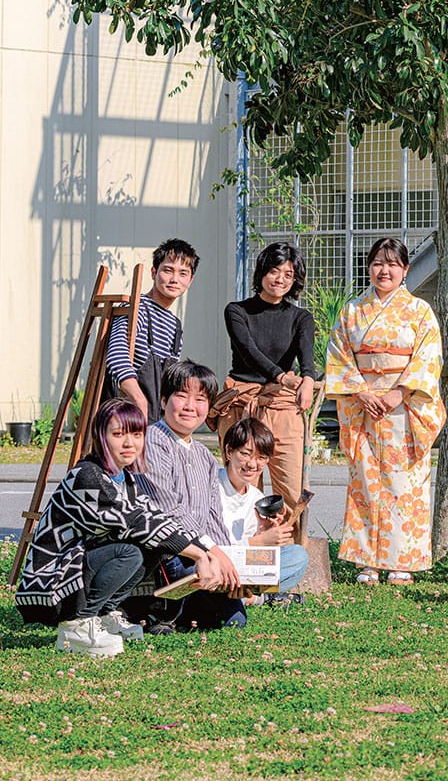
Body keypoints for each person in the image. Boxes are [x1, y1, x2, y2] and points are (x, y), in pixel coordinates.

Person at [15, 398, 222, 657]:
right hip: (51, 582)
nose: (129, 443)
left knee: (154, 545)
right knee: (132, 550)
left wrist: (209, 553)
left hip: (79, 570)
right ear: (100, 436)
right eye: (117, 434)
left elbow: (158, 517)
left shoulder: (127, 480)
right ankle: (76, 624)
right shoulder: (86, 477)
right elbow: (136, 523)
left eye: (136, 434)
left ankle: (104, 614)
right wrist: (201, 555)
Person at [325, 237, 446, 585]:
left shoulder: (419, 311)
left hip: (403, 408)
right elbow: (339, 354)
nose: (385, 270)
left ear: (405, 270)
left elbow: (428, 356)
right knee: (365, 479)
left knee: (404, 482)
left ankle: (402, 560)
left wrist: (399, 392)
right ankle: (367, 561)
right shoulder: (353, 311)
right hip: (363, 406)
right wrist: (360, 392)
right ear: (369, 266)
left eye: (393, 264)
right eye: (378, 262)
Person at [209, 242, 316, 542]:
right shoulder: (237, 311)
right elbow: (249, 351)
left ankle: (292, 559)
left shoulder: (300, 318)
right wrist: (283, 377)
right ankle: (241, 562)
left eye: (288, 274)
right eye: (274, 271)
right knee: (241, 490)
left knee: (292, 490)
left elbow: (307, 360)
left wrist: (308, 379)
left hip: (282, 407)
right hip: (241, 405)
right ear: (261, 272)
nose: (280, 279)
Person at [137, 360, 242, 630]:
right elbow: (169, 511)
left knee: (235, 619)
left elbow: (213, 515)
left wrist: (229, 561)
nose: (190, 407)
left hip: (204, 554)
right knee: (223, 610)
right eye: (181, 396)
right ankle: (166, 610)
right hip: (168, 554)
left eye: (200, 399)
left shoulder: (204, 455)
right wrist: (215, 553)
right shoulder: (151, 441)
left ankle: (185, 611)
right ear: (163, 400)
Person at [105, 239, 199, 423]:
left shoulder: (175, 326)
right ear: (154, 272)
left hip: (155, 423)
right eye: (168, 270)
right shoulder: (136, 309)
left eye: (183, 273)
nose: (174, 279)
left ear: (190, 280)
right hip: (124, 420)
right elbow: (115, 355)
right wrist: (139, 399)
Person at [218, 417, 309, 603]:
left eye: (261, 458)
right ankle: (255, 599)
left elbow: (253, 558)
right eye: (245, 454)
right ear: (228, 451)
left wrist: (265, 534)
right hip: (216, 564)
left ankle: (244, 597)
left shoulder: (256, 498)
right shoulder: (211, 488)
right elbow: (211, 547)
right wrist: (258, 541)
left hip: (242, 569)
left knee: (297, 556)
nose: (252, 464)